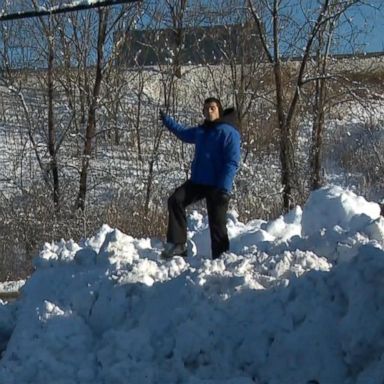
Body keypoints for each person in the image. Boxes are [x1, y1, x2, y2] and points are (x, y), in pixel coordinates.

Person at [159, 98, 241, 259]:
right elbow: (183, 133)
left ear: (219, 111)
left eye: (212, 108)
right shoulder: (202, 131)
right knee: (176, 200)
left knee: (217, 224)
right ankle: (178, 245)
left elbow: (232, 161)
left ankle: (221, 259)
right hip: (198, 181)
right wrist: (166, 120)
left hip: (217, 185)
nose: (209, 111)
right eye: (206, 109)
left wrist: (224, 188)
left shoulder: (229, 132)